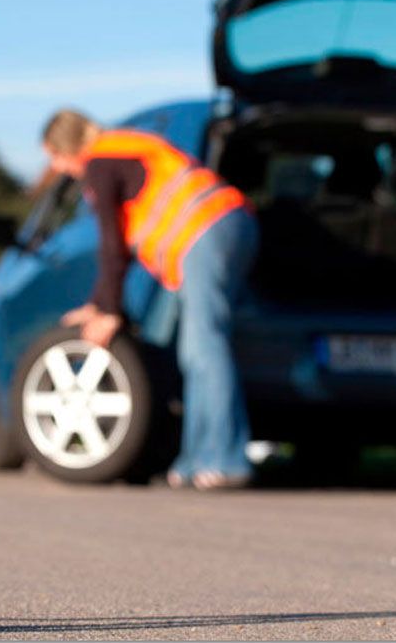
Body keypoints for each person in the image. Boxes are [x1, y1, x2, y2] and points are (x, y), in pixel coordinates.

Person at [41, 109, 259, 490]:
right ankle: (194, 462)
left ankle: (226, 460)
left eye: (54, 157)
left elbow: (111, 245)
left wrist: (108, 311)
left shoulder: (99, 162)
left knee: (205, 345)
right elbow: (121, 246)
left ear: (65, 147)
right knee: (196, 348)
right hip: (227, 224)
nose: (58, 168)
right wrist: (99, 304)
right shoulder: (120, 149)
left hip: (206, 228)